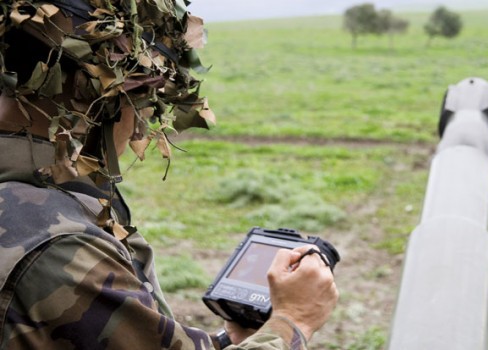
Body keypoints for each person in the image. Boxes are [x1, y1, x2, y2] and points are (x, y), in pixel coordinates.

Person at [0, 1, 338, 349]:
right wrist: (293, 320)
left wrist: (228, 340)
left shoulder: (31, 197)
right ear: (113, 96)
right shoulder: (58, 242)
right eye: (147, 103)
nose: (140, 128)